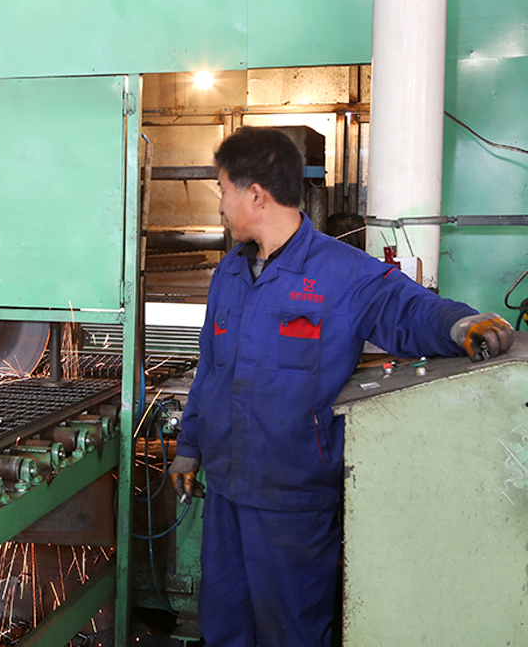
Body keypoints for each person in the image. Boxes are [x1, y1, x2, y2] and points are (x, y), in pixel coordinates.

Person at [167, 127, 514, 647]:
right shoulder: (228, 277)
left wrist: (462, 326)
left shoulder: (341, 274)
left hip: (295, 499)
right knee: (224, 627)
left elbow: (411, 310)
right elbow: (210, 370)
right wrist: (189, 448)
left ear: (256, 194)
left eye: (223, 190)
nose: (220, 206)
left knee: (293, 634)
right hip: (227, 492)